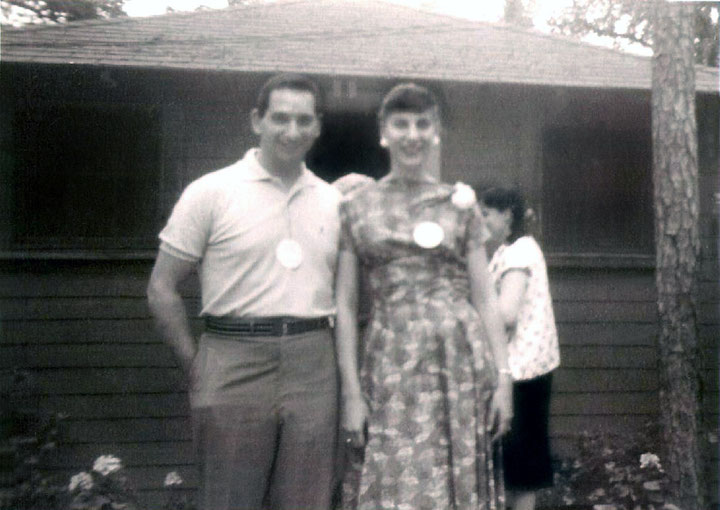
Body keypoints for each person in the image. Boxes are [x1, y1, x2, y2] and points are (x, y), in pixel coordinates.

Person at [146, 73, 342, 510]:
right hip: (231, 357)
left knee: (306, 501)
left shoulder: (333, 202)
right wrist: (196, 366)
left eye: (303, 120)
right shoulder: (211, 192)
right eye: (280, 118)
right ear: (257, 120)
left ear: (317, 127)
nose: (291, 131)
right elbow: (161, 288)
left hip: (313, 362)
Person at [335, 83, 512, 510]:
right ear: (384, 133)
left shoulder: (460, 206)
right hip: (390, 364)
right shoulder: (357, 207)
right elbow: (343, 304)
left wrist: (504, 380)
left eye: (422, 124)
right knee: (393, 482)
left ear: (435, 133)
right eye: (401, 124)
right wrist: (352, 394)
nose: (412, 134)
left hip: (458, 363)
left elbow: (485, 299)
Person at [481, 187, 561, 510]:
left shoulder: (521, 251)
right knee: (512, 466)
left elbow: (506, 313)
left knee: (521, 469)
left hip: (524, 373)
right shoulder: (503, 252)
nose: (479, 220)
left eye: (485, 213)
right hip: (516, 370)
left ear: (507, 215)